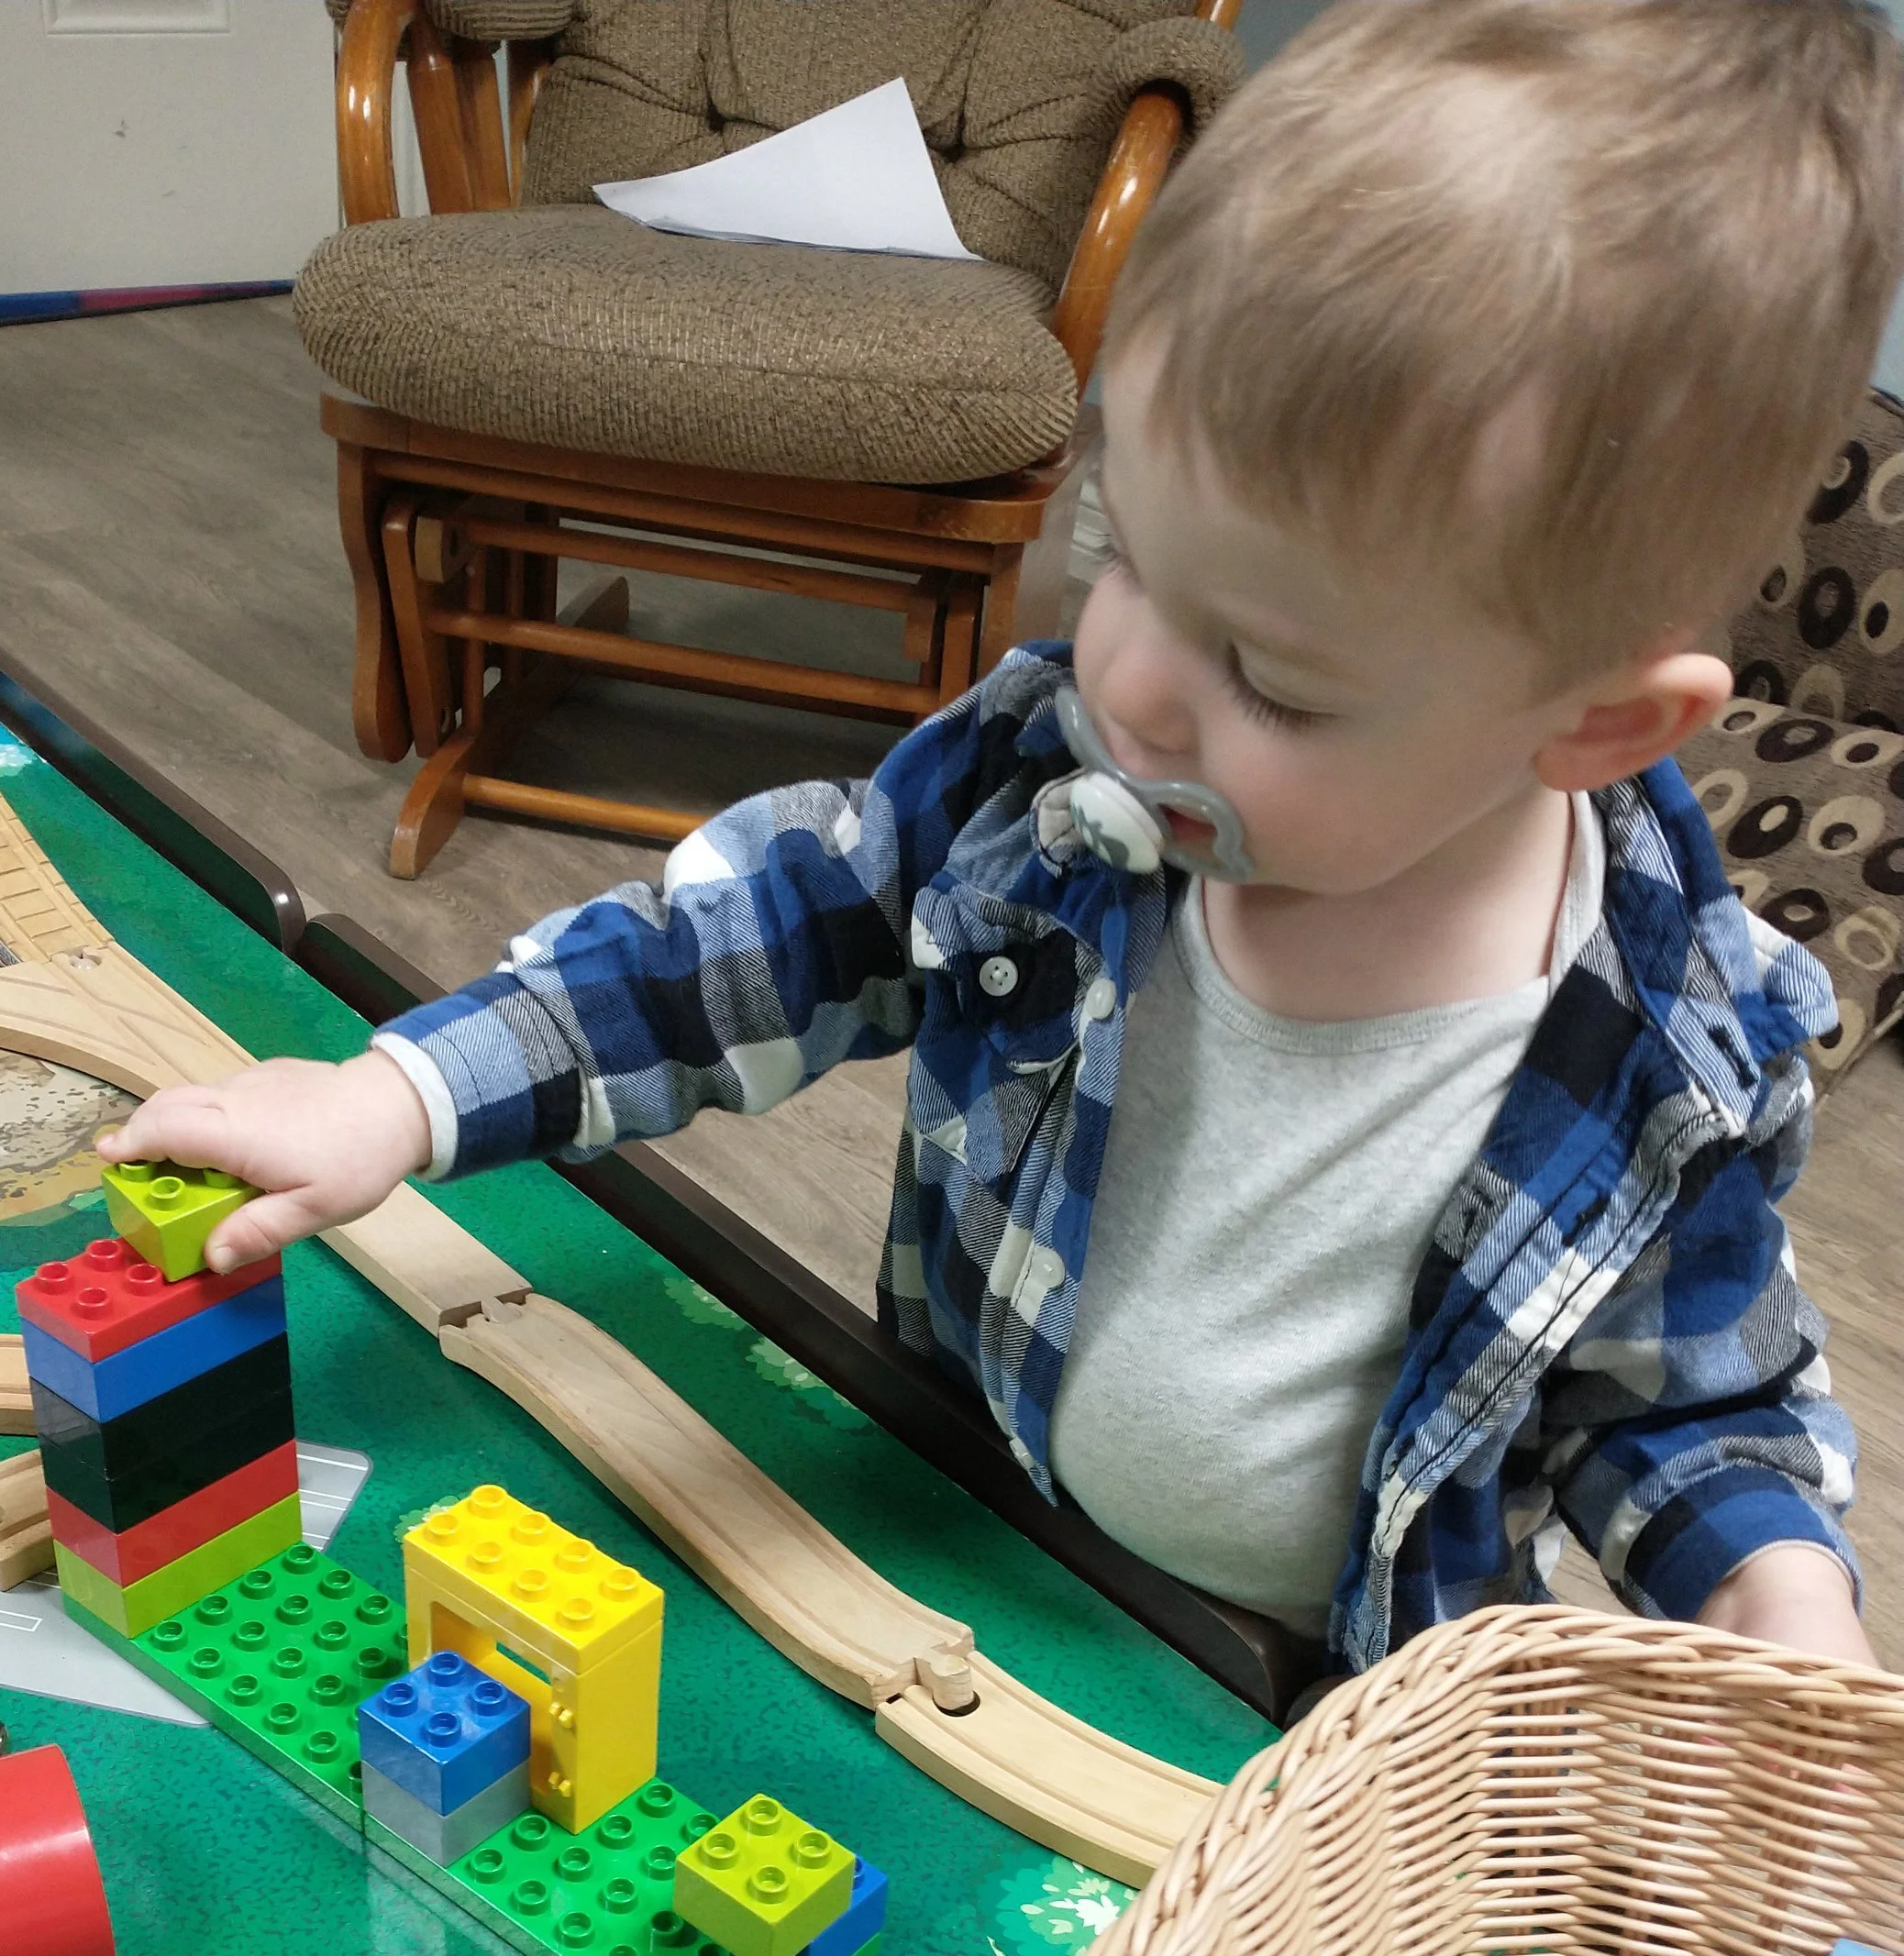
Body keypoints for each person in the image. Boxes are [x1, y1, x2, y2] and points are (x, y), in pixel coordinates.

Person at [102, 0, 1903, 1678]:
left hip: (1303, 1696)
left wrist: (1775, 1591)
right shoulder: (1044, 790)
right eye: (1122, 550)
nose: (1122, 674)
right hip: (959, 1535)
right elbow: (727, 953)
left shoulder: (1665, 1058)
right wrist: (390, 1100)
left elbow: (1678, 1413)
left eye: (1268, 675)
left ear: (1587, 728)